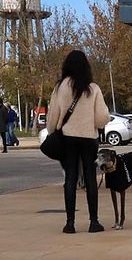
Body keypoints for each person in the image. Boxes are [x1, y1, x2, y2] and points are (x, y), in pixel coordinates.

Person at [46, 49, 111, 233]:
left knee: (71, 178)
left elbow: (53, 116)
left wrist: (52, 131)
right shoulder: (93, 88)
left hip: (68, 138)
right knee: (90, 177)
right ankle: (94, 221)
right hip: (88, 138)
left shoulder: (60, 87)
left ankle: (70, 223)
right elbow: (101, 118)